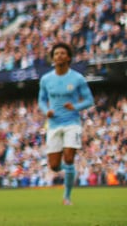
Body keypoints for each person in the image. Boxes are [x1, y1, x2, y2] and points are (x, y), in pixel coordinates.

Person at [38, 42, 95, 205]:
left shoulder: (77, 78)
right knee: (54, 166)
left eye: (63, 53)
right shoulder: (46, 79)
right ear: (53, 58)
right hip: (53, 124)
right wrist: (46, 111)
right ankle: (70, 171)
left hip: (72, 123)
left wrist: (75, 107)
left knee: (69, 158)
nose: (59, 56)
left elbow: (89, 100)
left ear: (68, 57)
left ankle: (67, 197)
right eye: (56, 54)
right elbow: (41, 100)